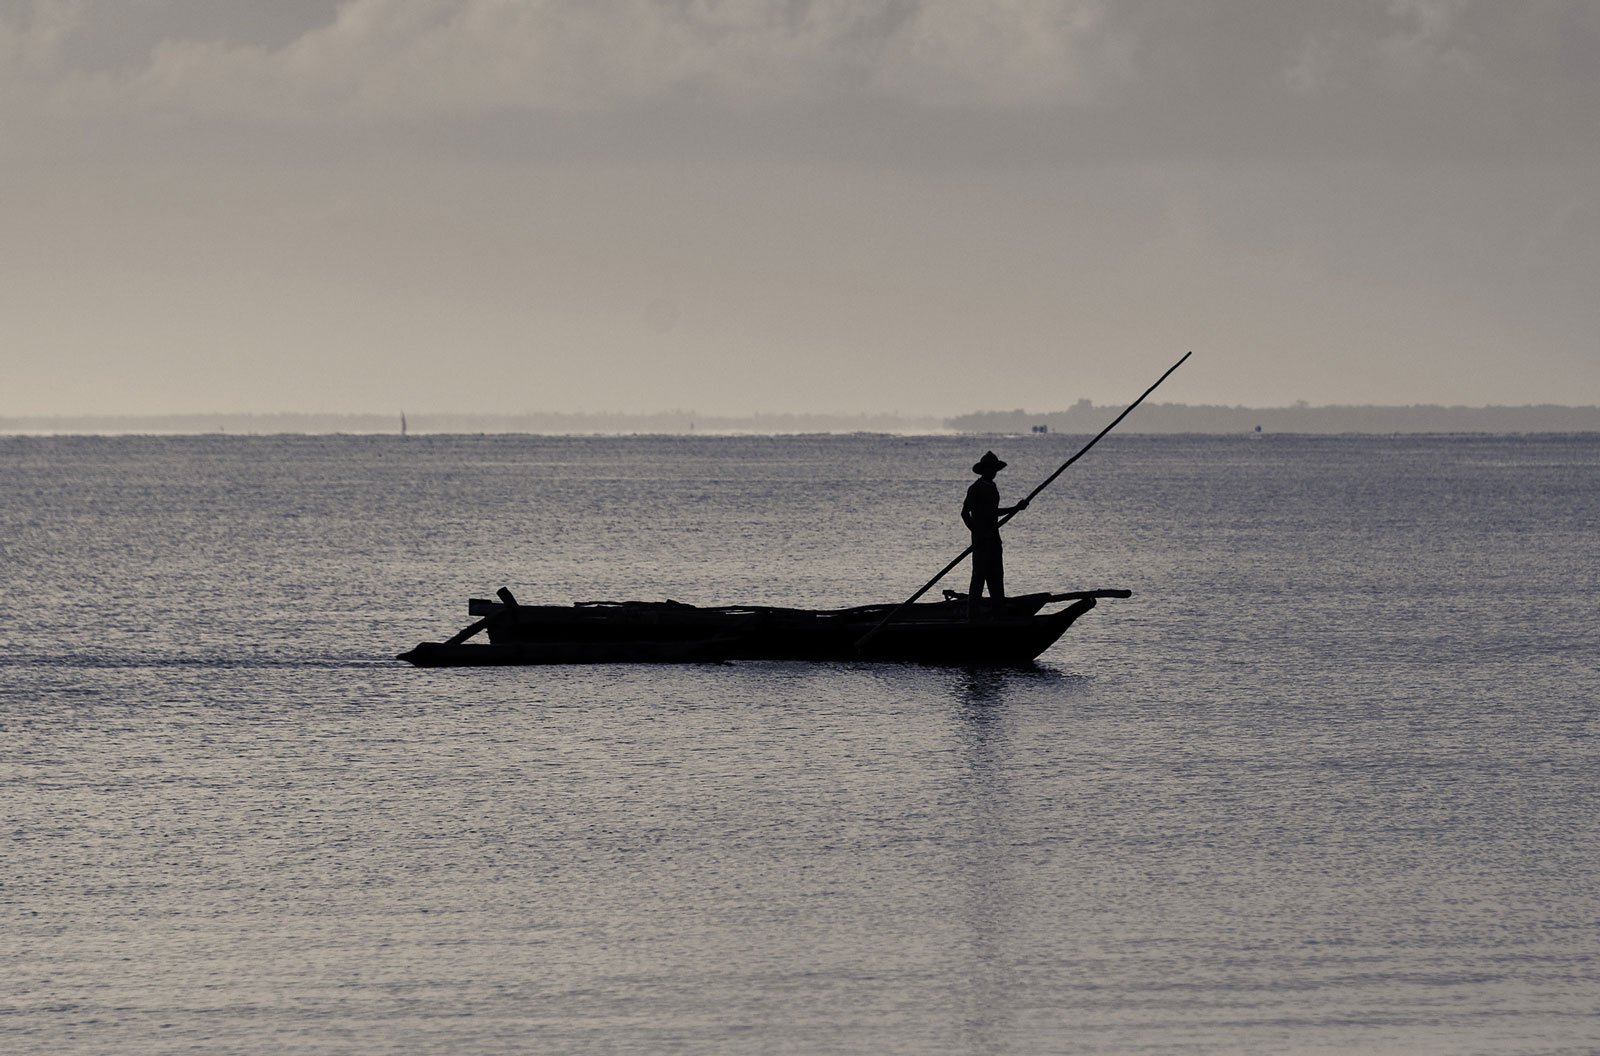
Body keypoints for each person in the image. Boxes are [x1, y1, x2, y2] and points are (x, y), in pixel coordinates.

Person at [961, 451, 1028, 620]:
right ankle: (972, 616)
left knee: (996, 578)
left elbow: (993, 512)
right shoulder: (975, 488)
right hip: (981, 543)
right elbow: (965, 513)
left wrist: (1015, 508)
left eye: (995, 469)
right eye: (990, 469)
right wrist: (976, 532)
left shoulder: (993, 487)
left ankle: (999, 614)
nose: (993, 472)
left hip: (994, 541)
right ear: (984, 470)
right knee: (978, 578)